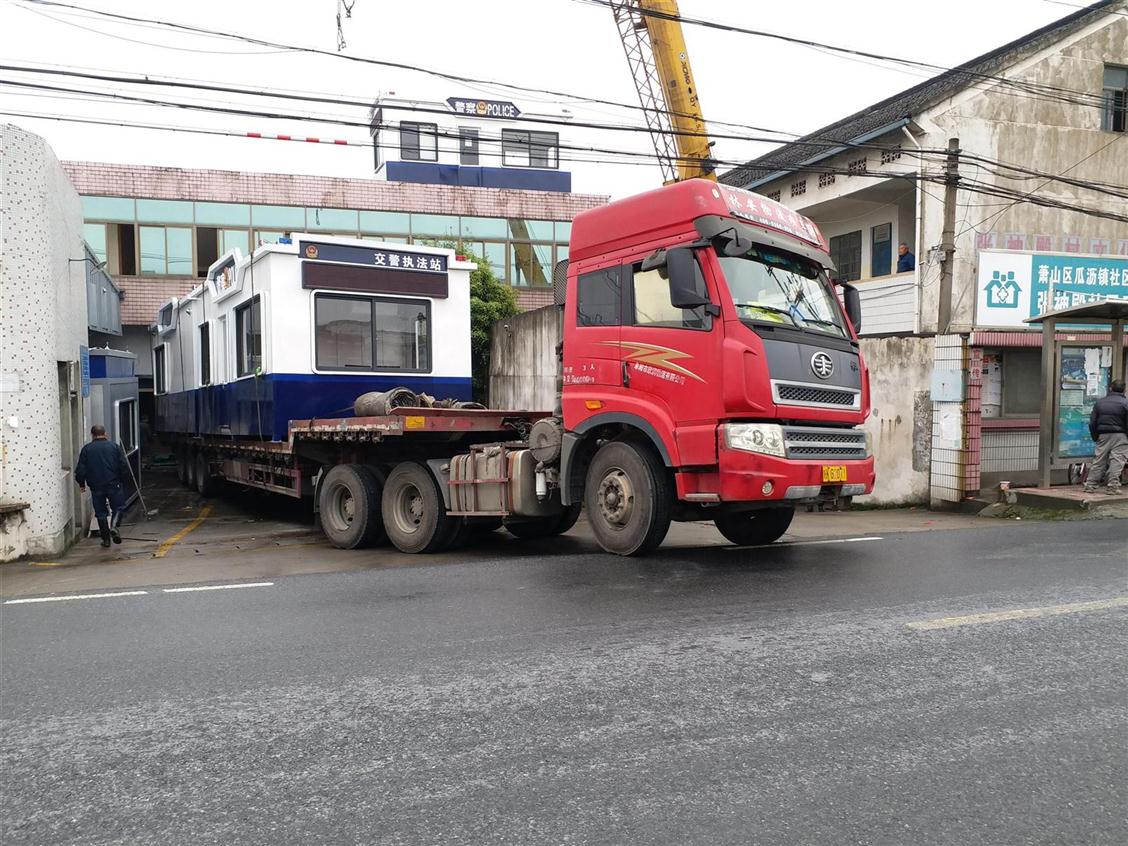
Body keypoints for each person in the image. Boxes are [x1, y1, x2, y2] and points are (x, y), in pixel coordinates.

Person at [75, 425, 131, 547]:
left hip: (96, 486)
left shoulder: (87, 449)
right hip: (113, 484)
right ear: (105, 434)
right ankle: (114, 527)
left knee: (100, 513)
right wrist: (122, 480)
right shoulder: (114, 447)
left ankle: (106, 540)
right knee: (118, 507)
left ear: (92, 435)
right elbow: (123, 466)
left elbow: (80, 470)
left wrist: (81, 483)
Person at [1085, 379, 1128, 495]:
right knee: (1117, 460)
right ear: (1124, 390)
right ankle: (1112, 487)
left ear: (1110, 389)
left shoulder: (1100, 403)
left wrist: (1095, 436)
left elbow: (1092, 422)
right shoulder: (1125, 404)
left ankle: (1090, 484)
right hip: (1121, 436)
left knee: (1099, 459)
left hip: (1103, 435)